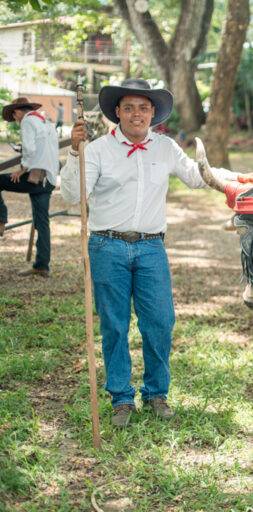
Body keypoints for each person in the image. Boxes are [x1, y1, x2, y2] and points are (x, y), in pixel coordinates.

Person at [60, 78, 238, 429]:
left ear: (153, 112)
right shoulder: (96, 151)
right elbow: (71, 195)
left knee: (160, 322)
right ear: (117, 112)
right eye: (129, 107)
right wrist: (73, 152)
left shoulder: (166, 148)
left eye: (143, 107)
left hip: (151, 246)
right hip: (106, 245)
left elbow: (198, 177)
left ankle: (156, 393)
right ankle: (122, 399)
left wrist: (240, 182)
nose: (136, 114)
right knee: (114, 324)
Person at [0, 97, 60, 276]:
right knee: (42, 223)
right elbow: (42, 148)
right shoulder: (46, 122)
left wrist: (22, 169)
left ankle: (1, 218)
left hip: (34, 177)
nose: (16, 119)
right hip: (47, 179)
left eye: (15, 116)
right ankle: (42, 265)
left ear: (18, 112)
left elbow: (30, 148)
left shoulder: (27, 121)